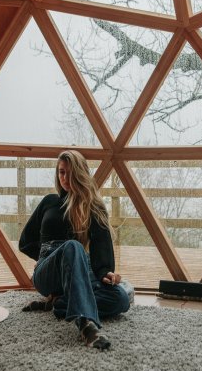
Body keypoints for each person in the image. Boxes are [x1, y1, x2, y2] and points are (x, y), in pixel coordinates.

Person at [19, 150, 130, 350]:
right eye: (61, 172)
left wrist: (104, 272)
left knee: (120, 299)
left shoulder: (93, 207)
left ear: (81, 174)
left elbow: (101, 246)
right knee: (72, 246)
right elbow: (25, 241)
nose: (65, 178)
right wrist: (46, 258)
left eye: (70, 173)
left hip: (79, 267)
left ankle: (61, 303)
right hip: (48, 270)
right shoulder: (49, 202)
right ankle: (86, 325)